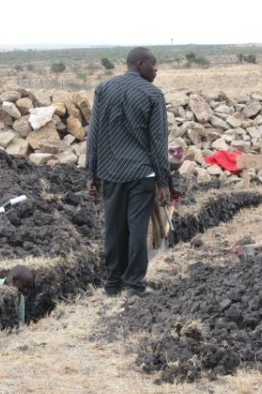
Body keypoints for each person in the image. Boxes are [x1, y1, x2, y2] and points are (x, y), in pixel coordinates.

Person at [86, 47, 170, 299]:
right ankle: (134, 283)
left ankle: (112, 284)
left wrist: (92, 171)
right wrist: (163, 182)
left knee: (113, 228)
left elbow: (95, 133)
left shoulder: (104, 88)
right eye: (153, 65)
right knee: (137, 228)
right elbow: (158, 142)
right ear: (140, 63)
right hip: (141, 173)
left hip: (111, 172)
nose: (156, 70)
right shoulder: (153, 94)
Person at [149, 147, 184, 252]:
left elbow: (168, 185)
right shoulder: (153, 174)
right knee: (149, 230)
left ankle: (159, 244)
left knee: (161, 226)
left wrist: (167, 197)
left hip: (151, 196)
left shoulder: (164, 170)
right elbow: (153, 201)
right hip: (142, 199)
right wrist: (160, 226)